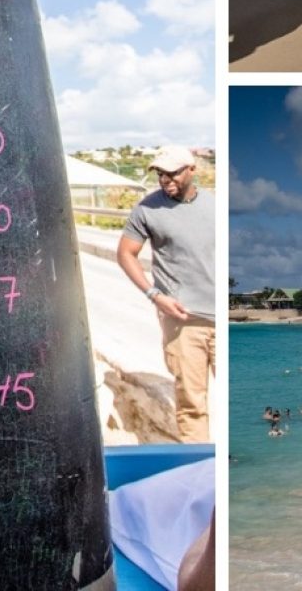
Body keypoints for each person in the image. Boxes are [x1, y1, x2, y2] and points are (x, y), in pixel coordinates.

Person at [116, 146, 215, 443]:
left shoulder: (215, 205)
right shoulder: (147, 209)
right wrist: (155, 295)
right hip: (182, 320)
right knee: (192, 405)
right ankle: (201, 475)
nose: (165, 179)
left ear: (192, 170)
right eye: (160, 173)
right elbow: (125, 254)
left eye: (172, 172)